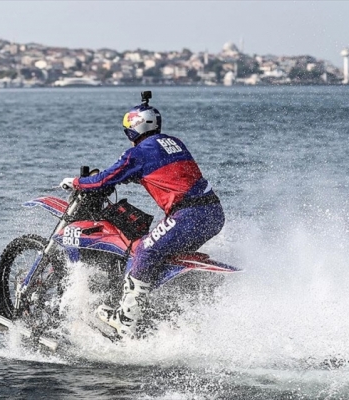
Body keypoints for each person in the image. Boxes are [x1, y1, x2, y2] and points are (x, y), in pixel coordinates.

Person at [59, 91, 225, 339]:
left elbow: (103, 179)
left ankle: (125, 320)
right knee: (162, 255)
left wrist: (76, 181)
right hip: (213, 213)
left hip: (189, 215)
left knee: (146, 250)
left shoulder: (138, 153)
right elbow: (169, 175)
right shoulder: (174, 142)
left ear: (132, 128)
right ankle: (153, 309)